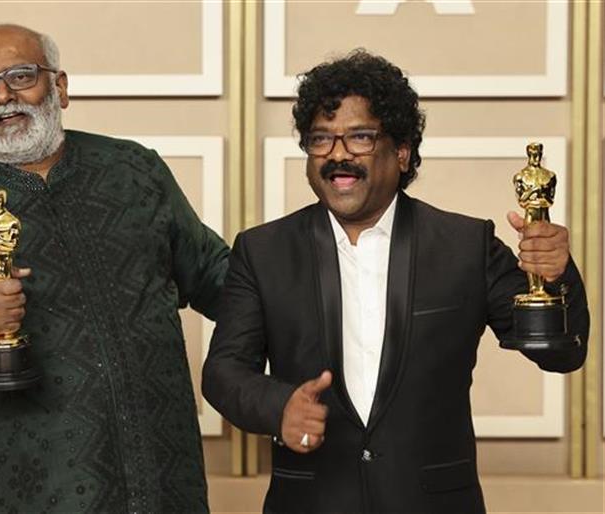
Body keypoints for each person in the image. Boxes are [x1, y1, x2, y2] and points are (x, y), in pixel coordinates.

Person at [0, 24, 228, 513]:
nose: (2, 96)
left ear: (60, 87)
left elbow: (218, 279)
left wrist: (312, 287)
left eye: (21, 75)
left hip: (166, 489)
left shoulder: (136, 172)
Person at [202, 49, 588, 514]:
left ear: (402, 152)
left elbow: (562, 354)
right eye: (320, 139)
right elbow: (223, 372)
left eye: (360, 137)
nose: (338, 154)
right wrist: (279, 406)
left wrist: (555, 274)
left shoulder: (467, 246)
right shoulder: (263, 252)